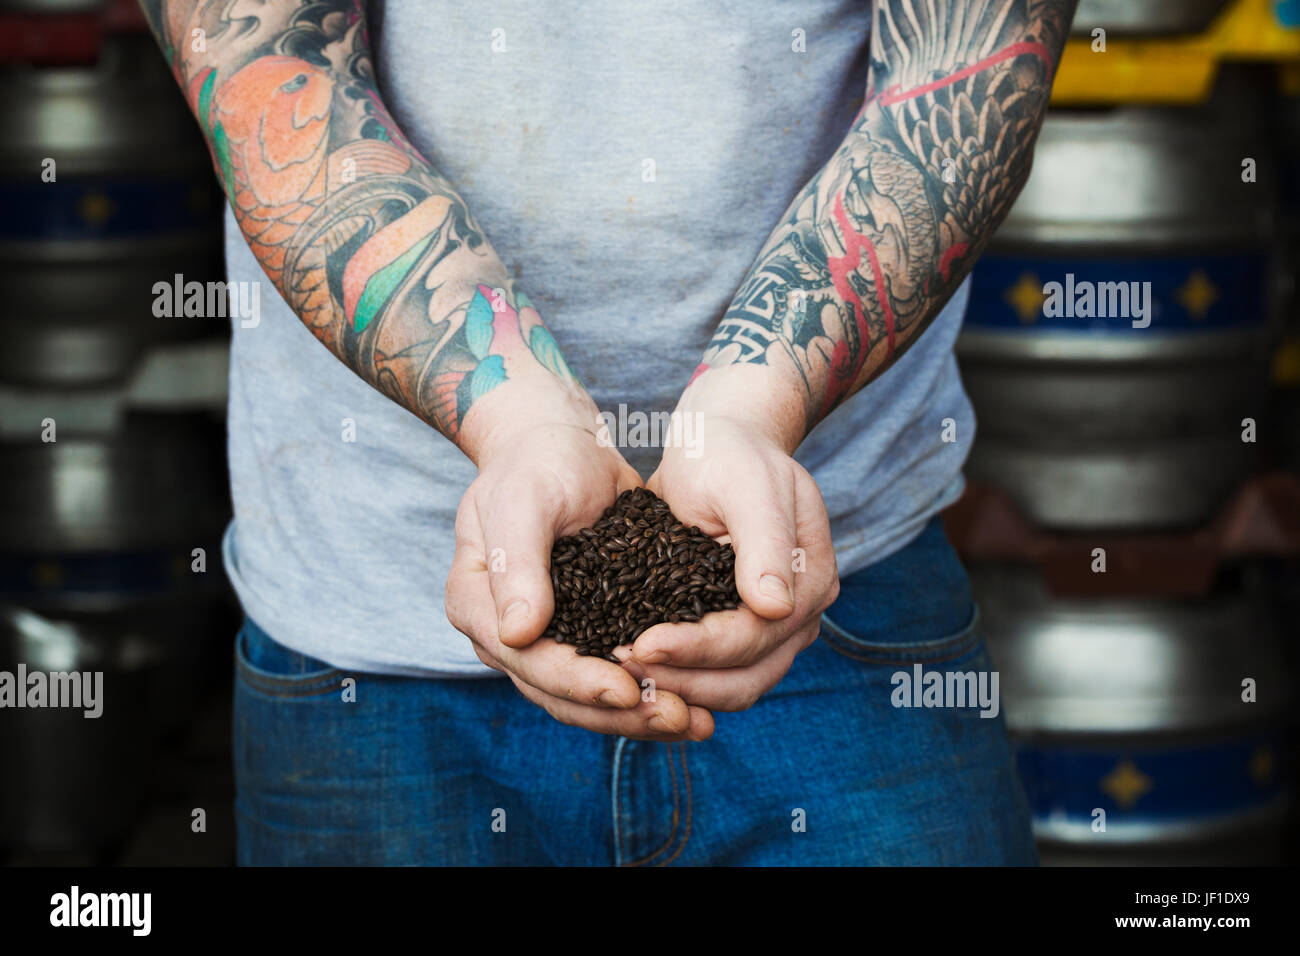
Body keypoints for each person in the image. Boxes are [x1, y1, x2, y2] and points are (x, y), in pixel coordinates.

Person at [140, 0, 1076, 864]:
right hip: (370, 622)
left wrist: (753, 411)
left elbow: (969, 63)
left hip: (833, 576)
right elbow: (266, 55)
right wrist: (518, 423)